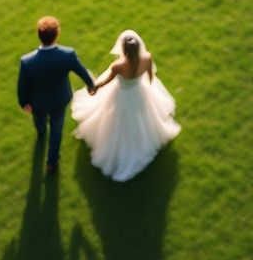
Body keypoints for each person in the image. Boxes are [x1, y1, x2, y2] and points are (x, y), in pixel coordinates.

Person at [71, 30, 181, 182]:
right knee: (140, 120)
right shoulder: (147, 58)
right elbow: (150, 77)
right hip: (139, 93)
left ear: (124, 50)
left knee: (116, 122)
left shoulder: (118, 65)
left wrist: (94, 86)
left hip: (121, 96)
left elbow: (107, 81)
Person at [17, 16, 96, 175]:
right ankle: (52, 163)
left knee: (39, 120)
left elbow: (22, 86)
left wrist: (23, 102)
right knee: (56, 130)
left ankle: (40, 132)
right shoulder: (68, 55)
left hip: (37, 103)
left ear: (38, 35)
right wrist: (91, 85)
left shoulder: (27, 61)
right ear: (57, 34)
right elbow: (82, 71)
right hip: (60, 100)